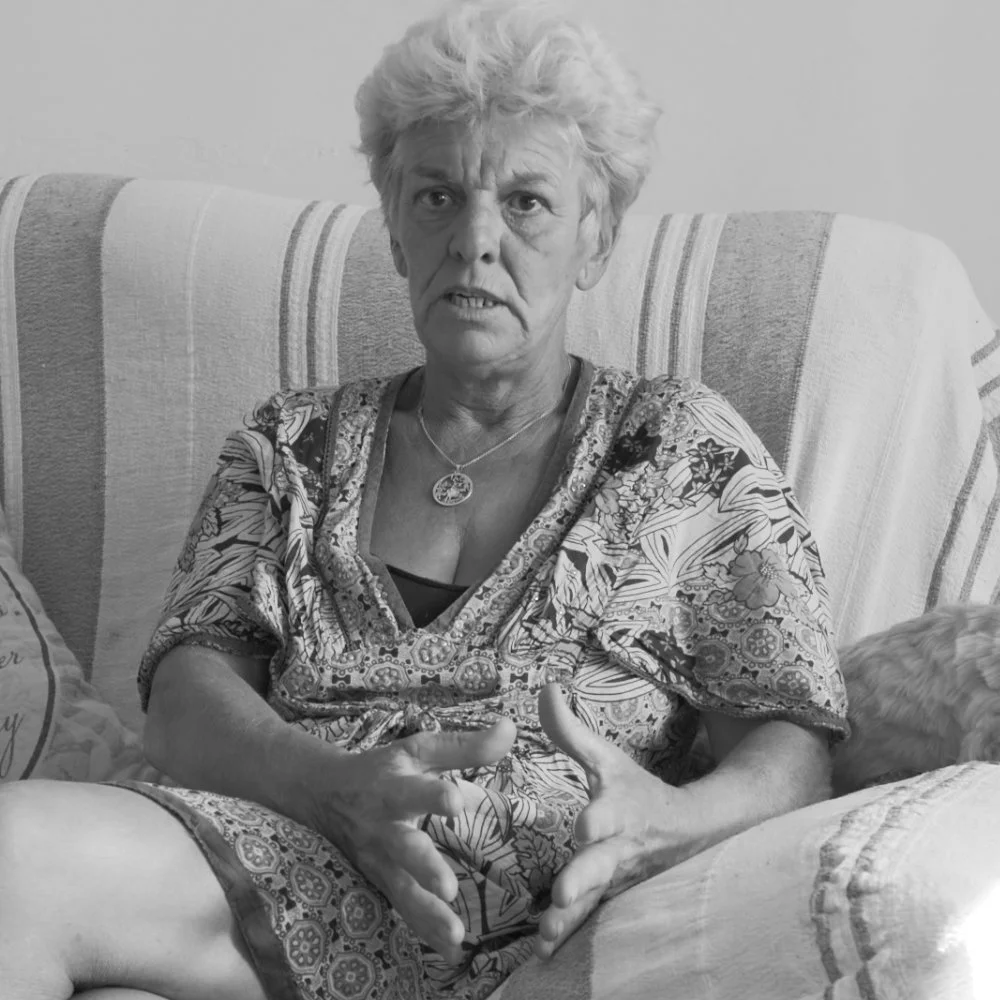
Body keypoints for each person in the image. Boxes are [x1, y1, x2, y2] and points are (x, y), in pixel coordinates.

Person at [0, 2, 847, 998]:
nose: (475, 240)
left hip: (577, 925)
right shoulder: (291, 446)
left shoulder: (681, 449)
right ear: (397, 231)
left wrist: (665, 820)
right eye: (437, 197)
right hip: (275, 877)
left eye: (526, 201)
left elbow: (791, 747)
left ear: (595, 237)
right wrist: (328, 787)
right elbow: (187, 701)